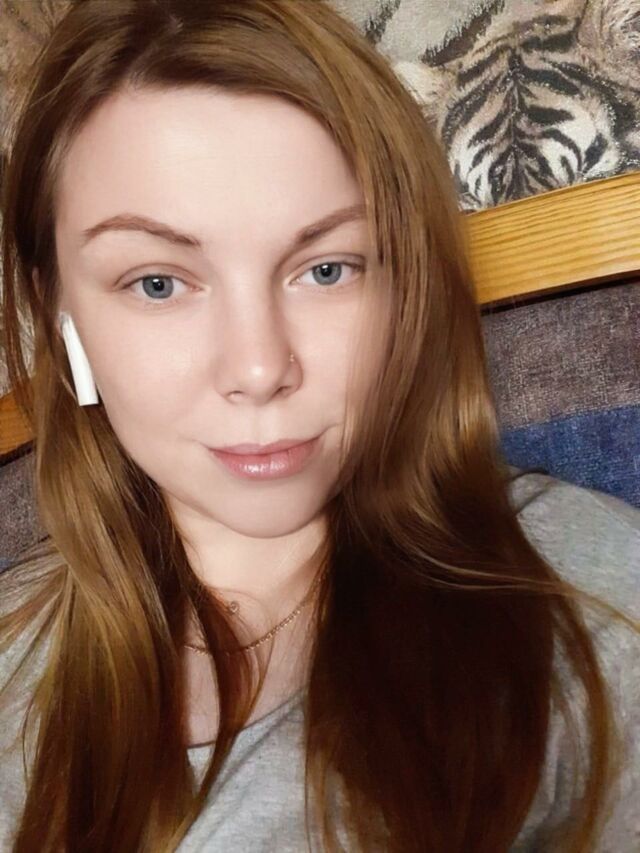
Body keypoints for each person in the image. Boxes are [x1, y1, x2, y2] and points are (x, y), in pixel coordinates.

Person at [0, 1, 637, 851]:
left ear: (403, 283)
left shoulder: (589, 614)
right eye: (158, 282)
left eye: (328, 269)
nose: (260, 367)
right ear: (60, 312)